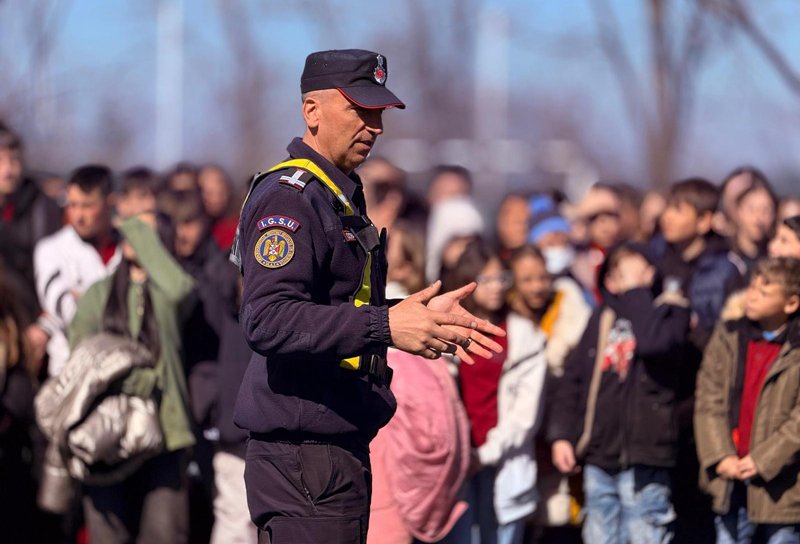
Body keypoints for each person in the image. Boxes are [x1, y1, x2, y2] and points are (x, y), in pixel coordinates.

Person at [230, 49, 503, 544]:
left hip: (332, 449)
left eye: (379, 113)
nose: (375, 126)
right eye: (360, 110)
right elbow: (268, 319)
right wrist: (386, 326)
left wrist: (405, 315)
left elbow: (332, 311)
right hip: (302, 456)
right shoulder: (291, 196)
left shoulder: (335, 193)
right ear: (312, 112)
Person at [548, 243, 691, 544]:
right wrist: (562, 435)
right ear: (609, 282)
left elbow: (653, 344)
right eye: (621, 275)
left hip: (645, 457)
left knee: (646, 534)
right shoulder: (602, 317)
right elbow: (573, 380)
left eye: (638, 271)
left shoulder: (671, 311)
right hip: (600, 454)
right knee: (599, 534)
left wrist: (637, 292)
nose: (630, 281)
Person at [68, 212, 196, 543]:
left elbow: (180, 290)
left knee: (165, 533)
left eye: (145, 233)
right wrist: (130, 380)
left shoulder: (167, 292)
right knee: (106, 535)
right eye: (131, 230)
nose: (132, 236)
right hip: (106, 434)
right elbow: (80, 359)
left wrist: (136, 227)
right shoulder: (99, 293)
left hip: (167, 434)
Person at [654, 177, 743, 541]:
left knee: (699, 507)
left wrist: (691, 328)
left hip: (703, 402)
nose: (667, 217)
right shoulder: (656, 263)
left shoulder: (725, 270)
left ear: (705, 220)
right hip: (661, 400)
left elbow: (731, 339)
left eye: (678, 209)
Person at [443, 241, 548, 544]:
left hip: (503, 459)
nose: (496, 288)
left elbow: (525, 415)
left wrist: (486, 454)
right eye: (486, 280)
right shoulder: (449, 330)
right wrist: (462, 452)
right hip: (458, 458)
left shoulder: (524, 336)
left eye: (501, 279)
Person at [695, 257, 800, 543]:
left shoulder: (796, 346)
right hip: (731, 473)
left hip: (784, 485)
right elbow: (708, 400)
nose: (751, 296)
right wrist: (720, 454)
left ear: (791, 303)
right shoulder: (729, 335)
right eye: (752, 287)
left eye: (764, 292)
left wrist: (764, 459)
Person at [33, 164, 120, 377]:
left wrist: (85, 298)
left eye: (88, 206)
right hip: (69, 372)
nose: (78, 215)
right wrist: (116, 305)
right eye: (72, 205)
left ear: (110, 202)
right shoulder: (51, 250)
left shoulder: (129, 250)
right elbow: (68, 312)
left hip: (121, 370)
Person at [728, 180, 778, 279]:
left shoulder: (775, 256)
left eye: (766, 211)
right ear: (738, 212)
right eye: (752, 209)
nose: (758, 218)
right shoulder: (723, 255)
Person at [198, 164, 240, 252]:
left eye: (220, 193)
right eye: (209, 193)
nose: (216, 199)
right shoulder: (192, 228)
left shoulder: (236, 229)